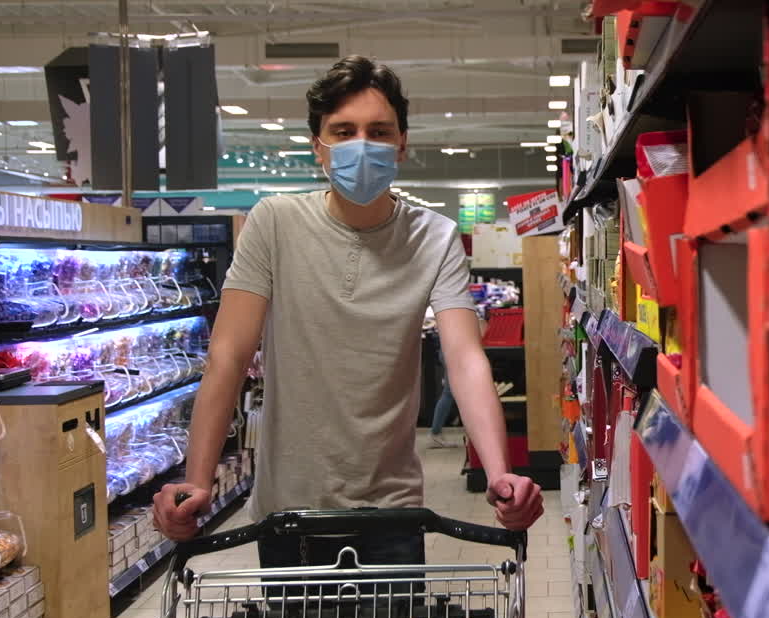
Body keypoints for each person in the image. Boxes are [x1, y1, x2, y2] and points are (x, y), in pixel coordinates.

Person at [152, 56, 544, 566]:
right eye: (343, 130)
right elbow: (228, 356)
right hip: (286, 506)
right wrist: (197, 481)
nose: (362, 144)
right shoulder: (274, 224)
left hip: (393, 506)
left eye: (379, 131)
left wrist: (499, 473)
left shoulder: (435, 236)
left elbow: (465, 358)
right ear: (319, 147)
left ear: (403, 143)